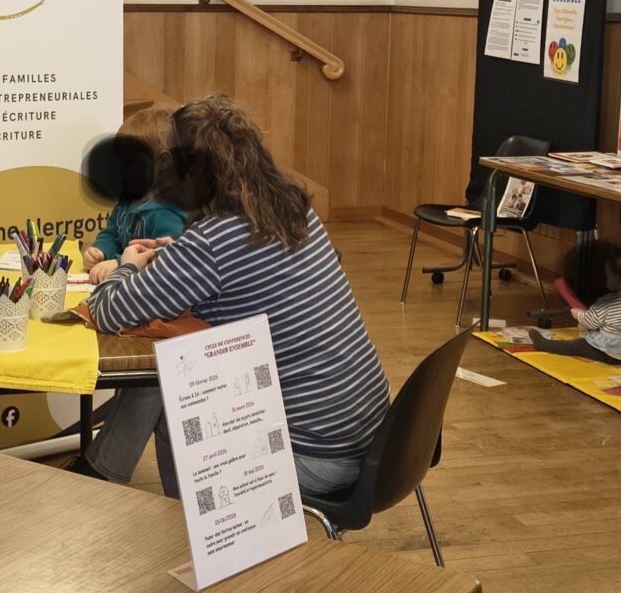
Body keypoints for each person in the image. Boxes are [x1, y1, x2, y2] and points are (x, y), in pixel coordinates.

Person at [67, 94, 390, 496]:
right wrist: (176, 256)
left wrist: (129, 264)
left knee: (175, 401)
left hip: (309, 457)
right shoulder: (295, 210)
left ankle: (174, 520)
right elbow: (243, 267)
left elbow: (108, 310)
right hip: (372, 441)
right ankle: (101, 473)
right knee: (177, 368)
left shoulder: (212, 240)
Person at [82, 108, 187, 284]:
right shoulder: (128, 198)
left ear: (162, 163)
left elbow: (163, 260)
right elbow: (112, 233)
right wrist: (101, 251)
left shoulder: (168, 213)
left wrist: (119, 263)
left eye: (129, 162)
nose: (119, 168)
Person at [529, 248, 621, 363]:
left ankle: (545, 344)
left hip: (610, 353)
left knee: (578, 344)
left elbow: (591, 322)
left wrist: (579, 315)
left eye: (607, 276)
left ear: (616, 278)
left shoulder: (608, 301)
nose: (606, 280)